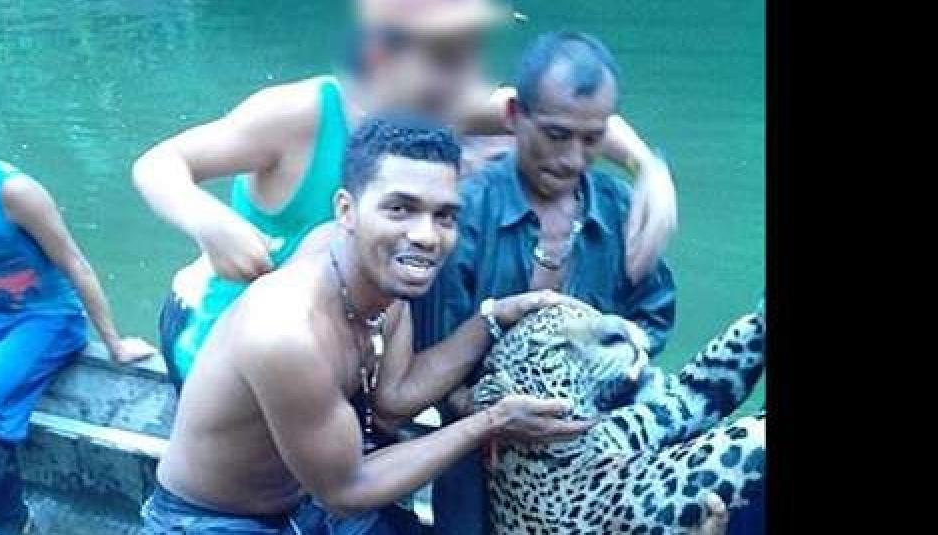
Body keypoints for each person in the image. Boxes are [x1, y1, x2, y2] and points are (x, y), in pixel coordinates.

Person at [133, 0, 678, 390]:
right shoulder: (300, 114)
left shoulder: (438, 109)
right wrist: (209, 223)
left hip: (342, 343)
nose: (461, 74)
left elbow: (566, 116)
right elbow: (158, 163)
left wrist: (649, 171)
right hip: (231, 342)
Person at [141, 114, 604, 534]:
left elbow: (393, 399)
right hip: (212, 521)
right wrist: (493, 421)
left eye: (444, 215)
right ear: (347, 210)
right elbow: (346, 492)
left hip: (306, 501)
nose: (425, 236)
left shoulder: (381, 277)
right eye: (399, 209)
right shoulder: (286, 334)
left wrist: (493, 318)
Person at [409, 31, 687, 533]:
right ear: (514, 117)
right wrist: (490, 412)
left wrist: (621, 361)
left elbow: (654, 315)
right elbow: (431, 362)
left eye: (591, 139)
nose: (574, 159)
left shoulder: (621, 210)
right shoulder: (464, 216)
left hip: (600, 451)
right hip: (477, 454)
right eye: (557, 135)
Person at [0, 87, 148, 535]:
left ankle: (13, 521)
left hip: (48, 320)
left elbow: (75, 263)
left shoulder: (14, 191)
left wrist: (114, 343)